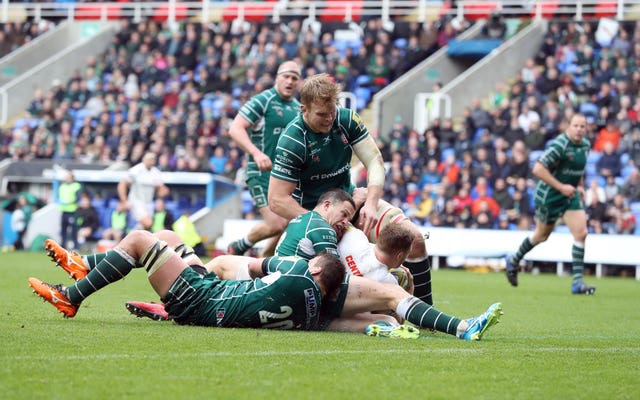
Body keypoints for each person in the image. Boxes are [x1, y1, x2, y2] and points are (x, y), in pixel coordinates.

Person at [269, 73, 434, 306]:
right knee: (347, 284)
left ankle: (426, 315)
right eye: (321, 114)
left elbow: (375, 162)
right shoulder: (293, 140)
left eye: (332, 111)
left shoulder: (346, 120)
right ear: (303, 109)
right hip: (319, 220)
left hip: (354, 206)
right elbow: (276, 200)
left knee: (415, 239)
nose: (329, 119)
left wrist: (371, 203)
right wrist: (320, 224)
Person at [29, 229, 346, 331]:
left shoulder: (298, 273)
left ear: (315, 270)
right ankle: (82, 265)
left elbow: (255, 266)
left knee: (140, 240)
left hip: (203, 301)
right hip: (214, 296)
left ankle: (72, 295)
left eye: (311, 263)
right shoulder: (314, 311)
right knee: (167, 236)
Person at [505, 114, 596, 295]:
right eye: (576, 125)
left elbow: (577, 169)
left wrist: (579, 186)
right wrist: (561, 187)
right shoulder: (559, 145)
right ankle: (513, 260)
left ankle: (577, 282)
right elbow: (538, 168)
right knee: (541, 236)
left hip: (569, 196)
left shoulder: (585, 146)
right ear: (568, 127)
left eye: (582, 126)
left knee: (581, 232)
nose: (579, 129)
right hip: (550, 197)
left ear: (586, 129)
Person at [226, 60, 302, 257]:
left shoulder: (297, 107)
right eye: (286, 76)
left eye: (295, 78)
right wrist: (256, 153)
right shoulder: (263, 100)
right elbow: (235, 128)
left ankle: (262, 263)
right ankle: (240, 246)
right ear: (277, 78)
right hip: (260, 173)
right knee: (277, 223)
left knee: (289, 224)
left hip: (284, 176)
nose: (290, 81)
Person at [117, 152, 169, 230]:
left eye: (153, 159)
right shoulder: (136, 170)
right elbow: (122, 184)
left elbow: (161, 188)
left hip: (149, 203)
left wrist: (164, 192)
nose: (151, 161)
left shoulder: (155, 172)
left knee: (147, 228)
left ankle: (133, 236)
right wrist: (124, 200)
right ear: (144, 159)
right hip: (136, 201)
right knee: (148, 223)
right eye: (149, 159)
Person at [57, 171, 82, 249]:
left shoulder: (76, 186)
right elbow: (59, 197)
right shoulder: (62, 186)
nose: (67, 179)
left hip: (72, 211)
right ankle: (63, 246)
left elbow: (78, 198)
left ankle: (76, 247)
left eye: (69, 177)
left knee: (73, 230)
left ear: (72, 178)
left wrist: (69, 202)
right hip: (64, 211)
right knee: (63, 230)